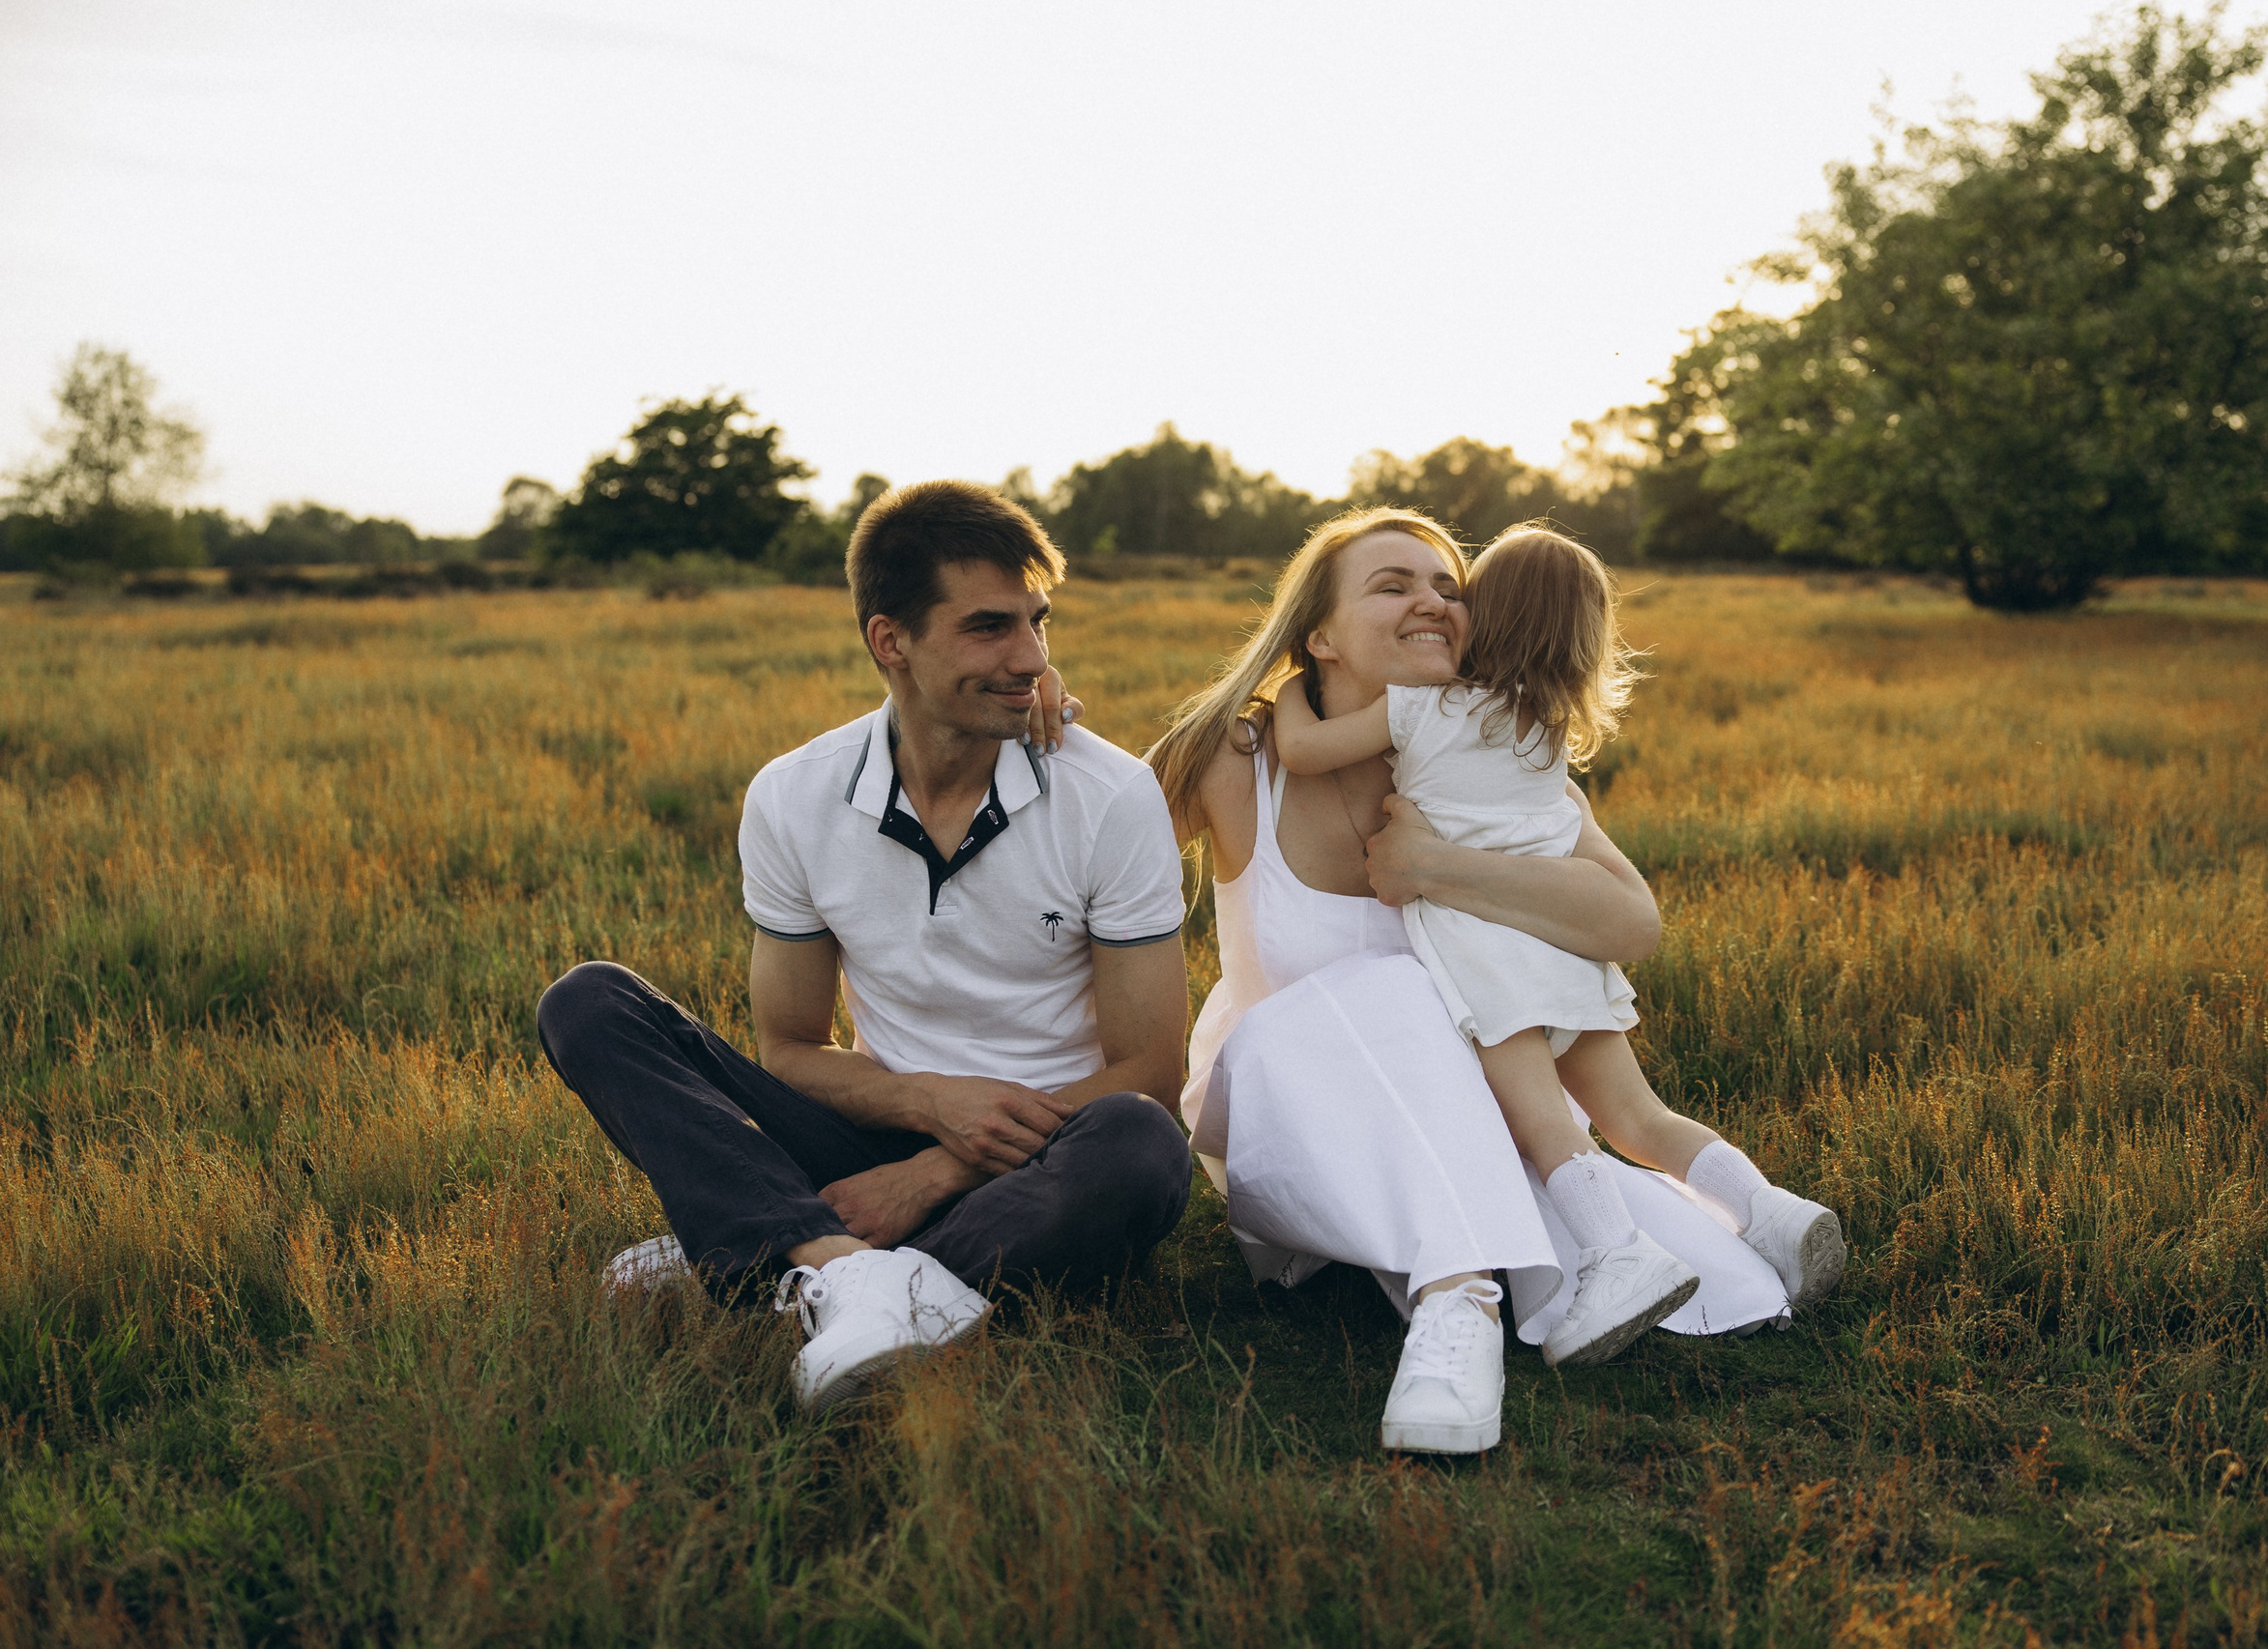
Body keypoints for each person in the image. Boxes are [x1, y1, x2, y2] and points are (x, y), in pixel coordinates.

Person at [1148, 508, 1810, 1458]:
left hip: (1468, 1115)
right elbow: (1087, 842)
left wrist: (1437, 866)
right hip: (1289, 1103)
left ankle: (1565, 1258)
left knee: (1715, 1276)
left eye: (1449, 586)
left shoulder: (1492, 758)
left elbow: (1630, 922)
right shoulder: (1236, 754)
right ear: (1319, 634)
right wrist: (1042, 720)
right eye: (1392, 584)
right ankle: (1457, 1300)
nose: (1431, 600)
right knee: (1388, 987)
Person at [538, 480, 1194, 1410]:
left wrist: (939, 1169)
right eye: (988, 628)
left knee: (1142, 1145)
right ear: (891, 641)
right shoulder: (793, 796)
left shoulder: (1109, 795)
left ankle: (772, 1255)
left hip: (1053, 1150)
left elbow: (1147, 1071)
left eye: (1037, 624)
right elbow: (790, 1048)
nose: (1030, 658)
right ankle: (848, 1273)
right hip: (867, 1136)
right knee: (589, 1002)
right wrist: (926, 1106)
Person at [1268, 525, 1844, 1371]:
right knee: (1638, 1116)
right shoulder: (1546, 733)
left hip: (1490, 968)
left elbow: (1303, 749)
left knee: (1544, 1126)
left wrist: (1285, 689)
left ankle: (1618, 1257)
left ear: (1483, 620)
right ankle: (1769, 1211)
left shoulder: (1425, 710)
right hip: (1569, 960)